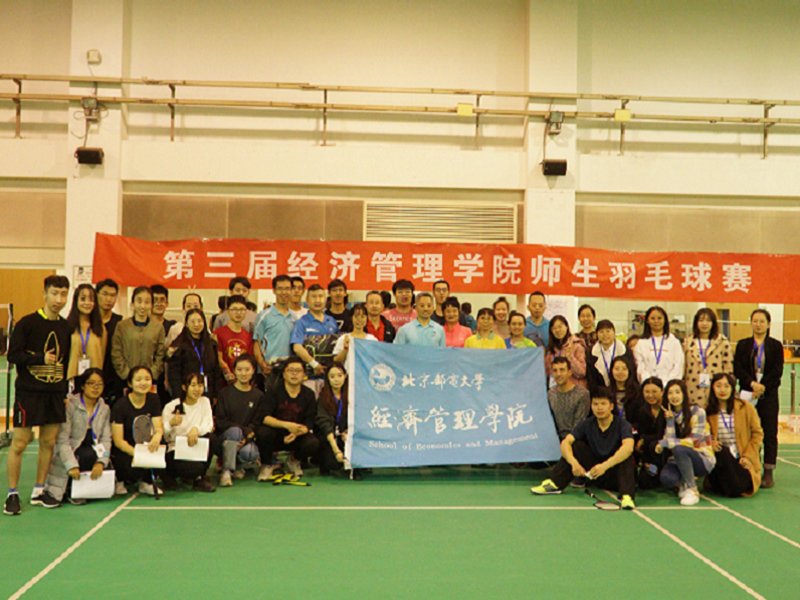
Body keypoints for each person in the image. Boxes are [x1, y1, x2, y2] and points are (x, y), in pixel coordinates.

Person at [5, 275, 71, 516]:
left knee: (48, 442)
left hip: (54, 394)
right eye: (54, 293)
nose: (58, 299)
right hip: (29, 393)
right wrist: (39, 358)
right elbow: (13, 355)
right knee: (20, 442)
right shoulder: (27, 323)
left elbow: (66, 362)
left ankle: (39, 490)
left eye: (63, 294)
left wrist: (64, 392)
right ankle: (12, 494)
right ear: (44, 294)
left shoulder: (66, 326)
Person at [531, 389, 636, 510]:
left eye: (603, 404)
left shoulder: (622, 424)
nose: (599, 408)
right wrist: (574, 463)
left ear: (611, 406)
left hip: (616, 476)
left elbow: (628, 448)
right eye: (595, 404)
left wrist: (604, 466)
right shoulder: (587, 424)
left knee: (625, 455)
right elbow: (565, 443)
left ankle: (627, 496)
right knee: (576, 446)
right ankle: (554, 484)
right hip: (595, 474)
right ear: (591, 406)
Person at [40, 368, 112, 507]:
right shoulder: (70, 405)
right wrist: (71, 465)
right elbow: (62, 440)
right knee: (85, 455)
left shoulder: (104, 408)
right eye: (91, 383)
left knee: (99, 459)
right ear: (83, 386)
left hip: (93, 447)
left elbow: (106, 439)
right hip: (71, 449)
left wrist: (101, 462)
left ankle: (82, 490)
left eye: (99, 384)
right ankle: (66, 489)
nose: (95, 387)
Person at [733, 308, 783, 489]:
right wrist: (752, 384)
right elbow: (738, 369)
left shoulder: (776, 346)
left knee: (769, 432)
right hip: (748, 394)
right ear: (751, 323)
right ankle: (750, 466)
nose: (758, 324)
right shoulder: (743, 345)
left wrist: (762, 388)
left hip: (768, 395)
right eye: (755, 321)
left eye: (762, 321)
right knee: (747, 432)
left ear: (768, 324)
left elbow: (777, 371)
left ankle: (768, 471)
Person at [253, 356, 320, 480]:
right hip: (276, 434)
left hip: (296, 435)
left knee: (313, 443)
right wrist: (287, 425)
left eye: (298, 371)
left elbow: (309, 421)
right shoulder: (273, 391)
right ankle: (267, 464)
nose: (294, 374)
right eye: (290, 370)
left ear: (304, 375)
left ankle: (293, 460)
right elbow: (264, 417)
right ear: (284, 374)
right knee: (262, 433)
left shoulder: (309, 394)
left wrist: (297, 432)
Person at [654, 379, 715, 506]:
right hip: (677, 459)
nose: (674, 396)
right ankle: (684, 483)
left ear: (684, 394)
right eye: (670, 393)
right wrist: (670, 421)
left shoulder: (698, 412)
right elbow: (670, 445)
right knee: (667, 478)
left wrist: (665, 442)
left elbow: (693, 441)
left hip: (701, 458)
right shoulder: (669, 414)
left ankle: (692, 489)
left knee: (680, 449)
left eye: (677, 392)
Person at [705, 373, 764, 497]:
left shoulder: (746, 407)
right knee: (722, 451)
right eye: (718, 386)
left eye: (726, 386)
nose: (722, 390)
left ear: (733, 388)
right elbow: (700, 436)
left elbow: (757, 434)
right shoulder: (706, 411)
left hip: (742, 460)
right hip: (720, 460)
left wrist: (748, 457)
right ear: (712, 388)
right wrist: (710, 443)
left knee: (738, 487)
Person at [110, 366, 164, 496]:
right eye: (138, 380)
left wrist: (158, 435)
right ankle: (120, 480)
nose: (143, 383)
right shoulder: (120, 405)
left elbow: (158, 427)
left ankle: (146, 482)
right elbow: (118, 441)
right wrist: (139, 455)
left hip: (145, 446)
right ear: (130, 383)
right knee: (125, 464)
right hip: (127, 449)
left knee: (162, 445)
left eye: (147, 379)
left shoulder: (154, 399)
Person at [161, 372, 216, 492]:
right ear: (184, 387)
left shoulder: (204, 402)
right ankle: (170, 475)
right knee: (194, 468)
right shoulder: (171, 406)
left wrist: (196, 429)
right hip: (176, 449)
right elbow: (164, 436)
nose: (197, 389)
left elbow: (209, 425)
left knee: (212, 438)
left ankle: (199, 478)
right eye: (193, 385)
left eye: (200, 385)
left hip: (195, 446)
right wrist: (170, 424)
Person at [215, 354, 264, 487]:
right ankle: (227, 470)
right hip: (226, 438)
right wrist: (242, 431)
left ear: (253, 371)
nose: (243, 373)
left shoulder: (258, 395)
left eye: (247, 370)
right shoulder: (224, 393)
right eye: (240, 369)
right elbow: (221, 421)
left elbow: (257, 422)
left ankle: (239, 465)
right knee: (235, 432)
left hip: (246, 438)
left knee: (250, 453)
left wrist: (247, 438)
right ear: (234, 371)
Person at [290, 284, 340, 396]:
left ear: (325, 298)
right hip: (309, 378)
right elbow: (297, 347)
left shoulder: (331, 321)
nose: (318, 300)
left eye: (320, 296)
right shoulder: (301, 322)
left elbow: (337, 347)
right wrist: (315, 365)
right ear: (307, 300)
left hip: (330, 378)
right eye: (314, 296)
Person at [111, 286, 166, 386]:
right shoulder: (122, 326)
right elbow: (116, 352)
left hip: (149, 381)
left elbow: (160, 354)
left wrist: (151, 374)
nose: (143, 306)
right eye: (139, 301)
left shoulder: (158, 327)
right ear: (132, 304)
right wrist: (127, 375)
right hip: (126, 379)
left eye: (147, 302)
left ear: (151, 305)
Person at [316, 363, 362, 480]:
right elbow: (324, 425)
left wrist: (348, 431)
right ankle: (321, 460)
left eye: (340, 375)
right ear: (327, 379)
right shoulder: (323, 398)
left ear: (345, 376)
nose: (336, 380)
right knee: (333, 464)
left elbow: (358, 418)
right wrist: (336, 451)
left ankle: (357, 468)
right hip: (329, 437)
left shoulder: (353, 395)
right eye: (332, 376)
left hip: (345, 435)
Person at [167, 308, 223, 402]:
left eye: (199, 321)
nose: (196, 324)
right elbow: (174, 375)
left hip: (207, 391)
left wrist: (216, 394)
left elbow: (216, 371)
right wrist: (179, 395)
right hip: (186, 394)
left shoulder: (210, 344)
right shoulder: (179, 345)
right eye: (192, 321)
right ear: (186, 324)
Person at [254, 275, 297, 391]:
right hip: (269, 371)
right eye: (280, 288)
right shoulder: (264, 316)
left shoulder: (294, 318)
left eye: (287, 289)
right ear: (274, 290)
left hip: (289, 371)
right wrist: (261, 364)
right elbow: (257, 343)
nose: (284, 292)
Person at [684, 308, 733, 408]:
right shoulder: (688, 343)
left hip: (716, 388)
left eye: (708, 320)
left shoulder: (722, 342)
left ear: (713, 323)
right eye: (701, 320)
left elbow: (728, 368)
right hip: (693, 389)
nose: (704, 324)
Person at [66, 283, 107, 380]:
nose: (87, 303)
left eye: (91, 299)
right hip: (72, 378)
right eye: (83, 299)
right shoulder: (67, 326)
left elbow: (102, 355)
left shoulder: (100, 328)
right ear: (76, 301)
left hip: (94, 380)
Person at [631, 377, 666, 490]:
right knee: (644, 483)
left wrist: (644, 440)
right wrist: (645, 461)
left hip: (666, 449)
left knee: (653, 444)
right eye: (647, 392)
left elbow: (661, 435)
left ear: (662, 391)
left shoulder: (668, 409)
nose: (650, 395)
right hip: (650, 451)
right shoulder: (642, 411)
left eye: (654, 391)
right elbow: (643, 434)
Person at [634, 306, 684, 384]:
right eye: (652, 318)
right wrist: (649, 383)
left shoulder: (674, 342)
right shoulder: (641, 343)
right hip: (648, 386)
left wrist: (667, 385)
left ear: (665, 320)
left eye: (659, 318)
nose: (656, 321)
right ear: (647, 320)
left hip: (669, 386)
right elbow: (640, 367)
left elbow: (678, 366)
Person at [547, 357, 590, 441]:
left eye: (562, 370)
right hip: (555, 440)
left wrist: (566, 442)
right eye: (555, 371)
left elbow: (579, 426)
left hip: (576, 439)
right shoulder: (550, 394)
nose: (558, 374)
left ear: (569, 372)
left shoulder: (582, 394)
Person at [96, 278, 124, 404]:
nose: (109, 299)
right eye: (105, 294)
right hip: (92, 377)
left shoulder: (120, 322)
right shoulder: (88, 321)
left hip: (114, 379)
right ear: (97, 295)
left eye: (113, 295)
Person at [215, 295, 254, 385]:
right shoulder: (218, 333)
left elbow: (249, 360)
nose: (238, 313)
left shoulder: (249, 336)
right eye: (234, 309)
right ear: (228, 311)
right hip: (223, 382)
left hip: (242, 382)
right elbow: (218, 358)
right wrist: (227, 373)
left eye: (242, 310)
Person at [587, 319, 631, 393]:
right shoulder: (591, 352)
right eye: (601, 332)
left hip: (623, 389)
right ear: (597, 334)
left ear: (614, 332)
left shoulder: (624, 350)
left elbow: (631, 372)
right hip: (600, 391)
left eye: (608, 331)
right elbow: (591, 377)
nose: (605, 334)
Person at [544, 315, 587, 389]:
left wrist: (570, 357)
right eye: (554, 328)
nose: (557, 330)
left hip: (574, 390)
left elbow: (581, 372)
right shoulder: (551, 350)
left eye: (560, 326)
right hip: (556, 390)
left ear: (567, 327)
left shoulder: (576, 345)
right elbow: (547, 373)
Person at [609, 356, 642, 422]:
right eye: (617, 369)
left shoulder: (637, 392)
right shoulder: (607, 392)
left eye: (624, 369)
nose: (620, 372)